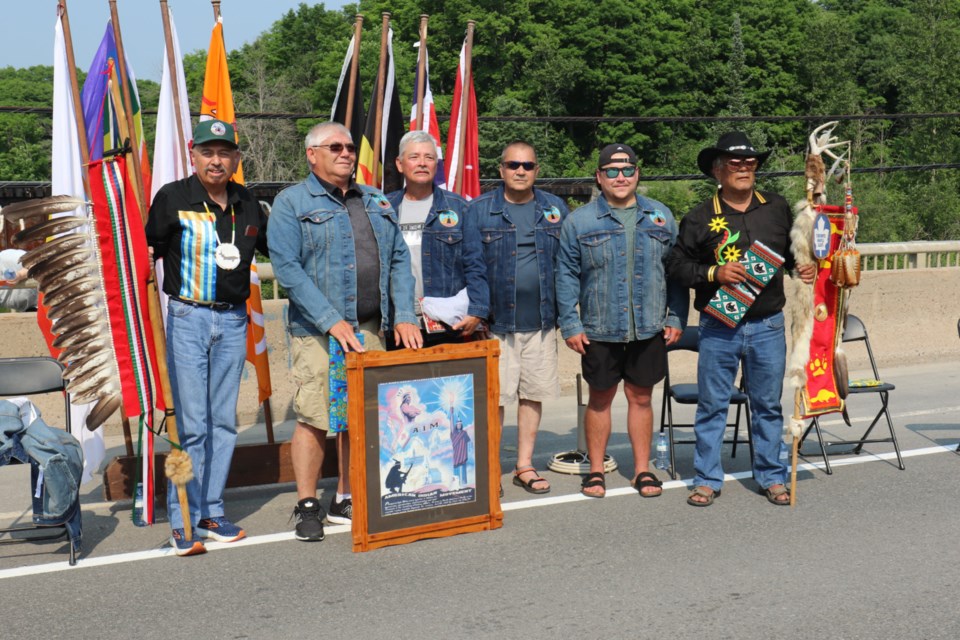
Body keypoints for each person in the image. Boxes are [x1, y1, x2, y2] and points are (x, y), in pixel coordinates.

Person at [268, 121, 421, 542]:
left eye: (350, 146)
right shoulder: (291, 202)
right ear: (311, 154)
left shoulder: (374, 200)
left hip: (370, 329)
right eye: (334, 146)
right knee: (315, 417)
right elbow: (287, 269)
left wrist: (404, 313)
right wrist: (330, 319)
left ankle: (346, 497)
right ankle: (307, 505)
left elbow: (396, 262)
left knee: (359, 420)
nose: (346, 153)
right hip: (317, 332)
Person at [666, 131, 816, 507]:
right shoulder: (699, 217)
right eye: (735, 163)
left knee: (767, 405)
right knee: (713, 405)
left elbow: (792, 255)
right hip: (719, 328)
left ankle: (771, 476)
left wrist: (803, 269)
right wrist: (715, 273)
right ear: (718, 170)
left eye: (750, 162)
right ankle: (706, 479)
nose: (744, 168)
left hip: (767, 326)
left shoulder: (779, 208)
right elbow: (676, 267)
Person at [146, 118, 268, 555]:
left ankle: (212, 509)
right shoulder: (172, 198)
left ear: (237, 157)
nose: (216, 161)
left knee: (223, 422)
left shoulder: (247, 202)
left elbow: (276, 251)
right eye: (207, 152)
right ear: (191, 154)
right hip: (186, 319)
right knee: (191, 425)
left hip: (233, 320)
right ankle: (182, 518)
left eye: (225, 153)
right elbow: (145, 253)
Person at [556, 143, 687, 498]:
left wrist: (675, 315)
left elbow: (675, 272)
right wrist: (571, 323)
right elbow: (566, 274)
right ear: (599, 177)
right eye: (611, 171)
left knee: (641, 397)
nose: (620, 177)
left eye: (627, 170)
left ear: (637, 174)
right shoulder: (579, 221)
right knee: (600, 398)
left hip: (649, 327)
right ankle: (595, 471)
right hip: (599, 327)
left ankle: (642, 470)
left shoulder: (661, 216)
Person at [467, 141, 569, 494]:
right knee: (494, 399)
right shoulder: (479, 210)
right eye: (513, 165)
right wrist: (478, 315)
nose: (520, 171)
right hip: (497, 325)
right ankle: (491, 467)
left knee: (532, 395)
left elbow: (567, 265)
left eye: (527, 165)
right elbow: (472, 266)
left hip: (541, 322)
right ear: (501, 170)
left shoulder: (555, 208)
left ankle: (523, 465)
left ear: (537, 170)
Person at [386, 130, 488, 345]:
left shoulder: (459, 207)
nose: (422, 163)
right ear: (400, 163)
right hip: (397, 323)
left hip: (447, 324)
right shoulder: (383, 209)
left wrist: (477, 311)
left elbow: (476, 265)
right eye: (414, 157)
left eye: (429, 157)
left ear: (436, 164)